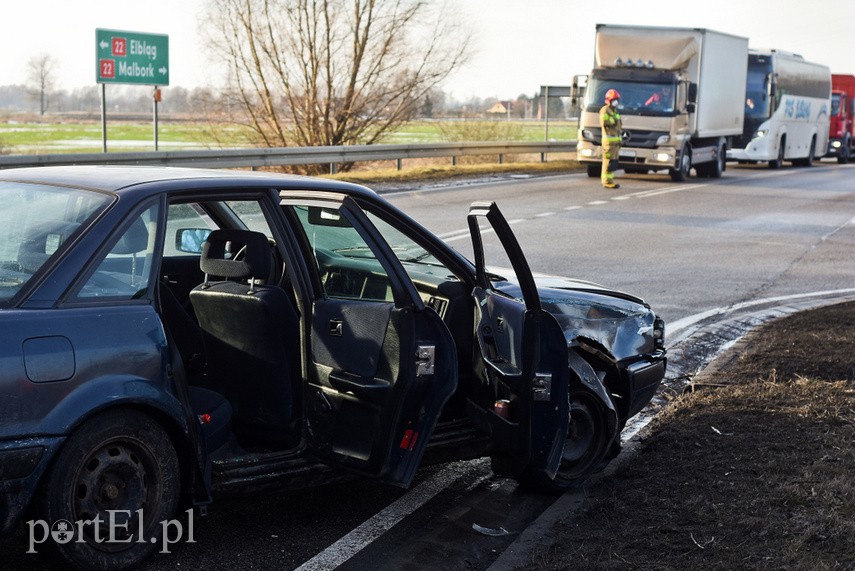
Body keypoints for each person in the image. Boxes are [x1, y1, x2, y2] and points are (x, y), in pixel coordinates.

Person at [600, 88, 622, 189]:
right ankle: (606, 181)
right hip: (609, 143)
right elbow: (605, 123)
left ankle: (610, 180)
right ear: (609, 100)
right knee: (608, 162)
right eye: (614, 100)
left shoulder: (615, 111)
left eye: (617, 100)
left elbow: (618, 127)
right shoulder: (605, 110)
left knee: (614, 163)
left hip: (616, 143)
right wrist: (612, 120)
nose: (616, 102)